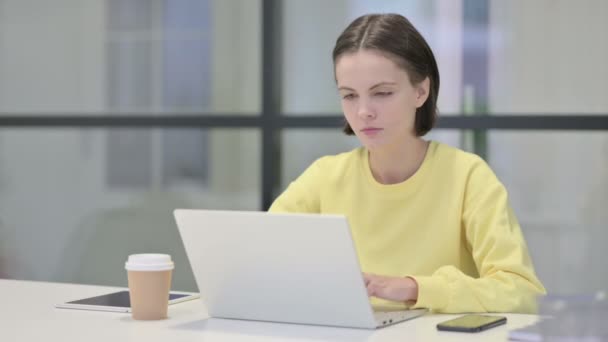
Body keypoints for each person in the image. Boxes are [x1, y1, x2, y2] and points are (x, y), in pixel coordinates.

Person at [269, 13, 546, 313]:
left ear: (421, 91)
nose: (363, 111)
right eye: (349, 96)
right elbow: (259, 255)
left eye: (382, 93)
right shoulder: (325, 177)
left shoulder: (467, 176)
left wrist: (415, 288)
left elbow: (523, 292)